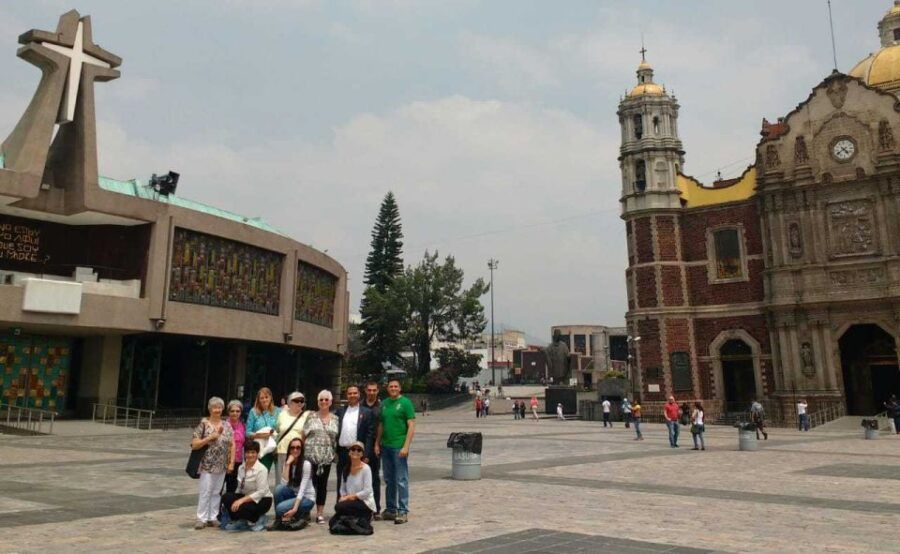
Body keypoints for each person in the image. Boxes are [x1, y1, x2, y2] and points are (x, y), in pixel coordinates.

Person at [375, 378, 416, 525]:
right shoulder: (384, 404)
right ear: (387, 389)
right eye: (391, 386)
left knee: (401, 479)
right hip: (386, 446)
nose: (393, 388)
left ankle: (403, 510)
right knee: (389, 479)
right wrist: (377, 443)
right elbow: (381, 425)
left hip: (399, 446)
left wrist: (406, 446)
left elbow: (411, 425)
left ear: (400, 388)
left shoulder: (405, 403)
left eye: (395, 386)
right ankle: (391, 509)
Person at [191, 396, 234, 530]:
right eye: (215, 407)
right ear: (210, 409)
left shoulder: (227, 425)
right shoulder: (203, 424)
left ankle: (212, 517)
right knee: (206, 491)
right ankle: (201, 518)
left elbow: (232, 444)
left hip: (221, 464)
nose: (217, 410)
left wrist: (231, 462)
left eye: (220, 407)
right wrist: (209, 438)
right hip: (207, 464)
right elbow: (194, 444)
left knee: (216, 492)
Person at [302, 389, 339, 524]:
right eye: (321, 399)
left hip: (326, 458)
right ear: (318, 402)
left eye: (326, 399)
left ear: (330, 402)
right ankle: (305, 512)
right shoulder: (311, 416)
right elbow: (303, 435)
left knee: (322, 486)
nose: (324, 402)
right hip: (310, 457)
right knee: (309, 485)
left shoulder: (335, 419)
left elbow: (336, 438)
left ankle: (319, 513)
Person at [221, 441, 273, 531]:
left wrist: (240, 501)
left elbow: (261, 492)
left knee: (242, 507)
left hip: (262, 500)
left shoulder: (262, 469)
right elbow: (239, 488)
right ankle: (241, 521)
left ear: (257, 454)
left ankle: (260, 518)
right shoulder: (241, 468)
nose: (250, 455)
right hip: (247, 497)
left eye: (253, 452)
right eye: (248, 452)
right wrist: (233, 500)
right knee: (226, 497)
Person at [336, 385, 376, 499]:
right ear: (346, 395)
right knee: (341, 482)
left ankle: (359, 506)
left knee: (359, 483)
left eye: (355, 393)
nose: (352, 395)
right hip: (343, 452)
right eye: (350, 393)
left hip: (358, 453)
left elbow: (369, 435)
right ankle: (341, 505)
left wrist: (366, 454)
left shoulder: (366, 412)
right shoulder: (340, 411)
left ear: (359, 394)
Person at [272, 438, 315, 530]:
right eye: (292, 448)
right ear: (289, 449)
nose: (295, 450)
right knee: (278, 489)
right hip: (294, 495)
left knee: (280, 509)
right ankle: (279, 521)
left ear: (302, 449)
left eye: (298, 448)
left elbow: (302, 490)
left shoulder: (306, 464)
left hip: (306, 498)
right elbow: (283, 484)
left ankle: (299, 514)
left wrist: (294, 509)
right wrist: (287, 464)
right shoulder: (288, 462)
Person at [334, 440, 376, 520]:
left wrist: (349, 497)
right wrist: (343, 497)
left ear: (362, 454)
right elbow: (342, 489)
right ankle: (356, 518)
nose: (355, 452)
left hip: (364, 501)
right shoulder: (346, 469)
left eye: (359, 450)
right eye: (353, 449)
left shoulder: (366, 469)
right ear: (349, 452)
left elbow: (367, 491)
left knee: (339, 507)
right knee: (335, 516)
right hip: (350, 501)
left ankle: (365, 516)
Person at [275, 391, 309, 486]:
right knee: (281, 479)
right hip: (282, 450)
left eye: (302, 401)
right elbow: (277, 430)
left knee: (296, 478)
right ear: (289, 402)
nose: (299, 403)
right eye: (296, 400)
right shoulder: (282, 414)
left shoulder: (306, 416)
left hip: (297, 451)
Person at [246, 387, 281, 471]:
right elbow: (247, 432)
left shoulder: (278, 411)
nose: (264, 400)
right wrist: (261, 435)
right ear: (258, 399)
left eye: (266, 397)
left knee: (265, 474)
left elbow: (280, 429)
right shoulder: (253, 411)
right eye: (262, 398)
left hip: (271, 449)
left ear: (270, 398)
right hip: (257, 449)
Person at [362, 381, 383, 518]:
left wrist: (377, 444)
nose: (371, 392)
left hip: (375, 447)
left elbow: (382, 426)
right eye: (369, 390)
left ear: (377, 391)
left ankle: (376, 508)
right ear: (365, 391)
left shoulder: (381, 407)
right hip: (360, 446)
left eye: (374, 390)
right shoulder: (360, 406)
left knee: (374, 477)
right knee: (360, 477)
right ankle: (362, 507)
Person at [225, 399, 245, 494]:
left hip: (238, 461)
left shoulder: (243, 425)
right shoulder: (224, 425)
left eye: (238, 411)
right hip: (224, 460)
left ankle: (228, 503)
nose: (235, 413)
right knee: (218, 488)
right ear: (228, 412)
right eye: (232, 411)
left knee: (232, 487)